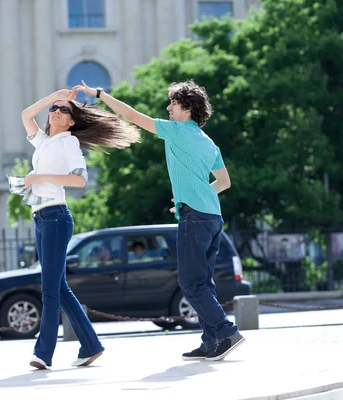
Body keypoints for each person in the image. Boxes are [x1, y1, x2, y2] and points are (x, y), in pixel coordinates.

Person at [73, 79, 244, 362]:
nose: (168, 107)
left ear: (187, 108)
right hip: (212, 216)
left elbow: (131, 116)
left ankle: (227, 332)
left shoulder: (177, 132)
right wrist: (196, 193)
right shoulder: (207, 141)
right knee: (204, 282)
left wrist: (100, 94)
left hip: (196, 218)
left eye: (173, 103)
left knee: (190, 284)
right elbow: (224, 182)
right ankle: (211, 341)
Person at [13, 88, 140, 370]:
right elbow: (25, 114)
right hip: (42, 218)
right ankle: (91, 345)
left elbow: (80, 180)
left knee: (49, 289)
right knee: (58, 286)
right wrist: (54, 96)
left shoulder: (68, 143)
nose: (56, 111)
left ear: (72, 121)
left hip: (56, 218)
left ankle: (43, 354)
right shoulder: (45, 142)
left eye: (64, 110)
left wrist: (40, 177)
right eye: (54, 109)